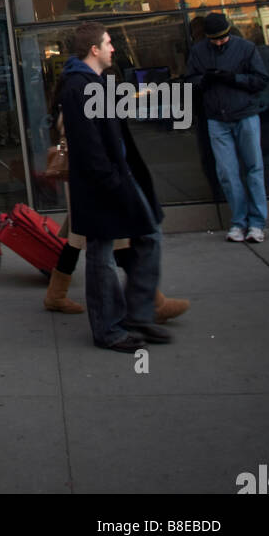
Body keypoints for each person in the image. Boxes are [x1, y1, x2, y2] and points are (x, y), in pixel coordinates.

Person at [61, 21, 169, 352]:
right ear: (94, 49)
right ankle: (110, 327)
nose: (113, 48)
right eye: (108, 43)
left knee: (147, 235)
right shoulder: (78, 86)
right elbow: (89, 146)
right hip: (103, 184)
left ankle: (136, 315)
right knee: (102, 253)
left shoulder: (95, 82)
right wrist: (112, 181)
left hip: (116, 178)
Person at [186, 12, 268, 242]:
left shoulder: (246, 48)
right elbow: (190, 80)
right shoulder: (199, 52)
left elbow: (261, 80)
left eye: (223, 38)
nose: (220, 42)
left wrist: (234, 79)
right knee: (228, 174)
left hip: (244, 114)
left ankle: (256, 222)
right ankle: (240, 222)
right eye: (215, 39)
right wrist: (205, 80)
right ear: (207, 36)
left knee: (253, 169)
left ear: (229, 32)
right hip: (217, 117)